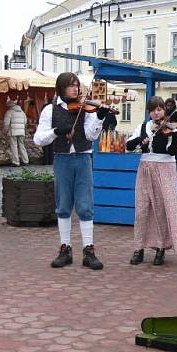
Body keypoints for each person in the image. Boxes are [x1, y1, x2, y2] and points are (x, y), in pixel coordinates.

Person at [33, 72, 108, 270]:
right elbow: (38, 139)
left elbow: (91, 135)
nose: (76, 89)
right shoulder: (50, 110)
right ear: (61, 88)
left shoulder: (86, 109)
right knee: (63, 205)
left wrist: (99, 118)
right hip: (62, 159)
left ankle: (88, 250)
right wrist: (55, 132)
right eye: (71, 85)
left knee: (85, 205)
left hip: (83, 157)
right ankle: (65, 248)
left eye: (77, 85)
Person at [125, 96, 177, 266]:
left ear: (164, 111)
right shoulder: (144, 127)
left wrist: (176, 136)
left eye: (159, 109)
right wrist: (139, 141)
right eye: (153, 110)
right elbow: (128, 146)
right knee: (142, 209)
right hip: (145, 169)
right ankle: (139, 248)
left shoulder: (170, 128)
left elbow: (172, 152)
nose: (156, 113)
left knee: (162, 209)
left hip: (164, 169)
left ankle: (161, 248)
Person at [3, 97, 29, 166]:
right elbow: (25, 121)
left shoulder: (9, 112)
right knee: (22, 145)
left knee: (14, 146)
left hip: (13, 132)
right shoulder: (22, 112)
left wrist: (5, 131)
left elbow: (6, 123)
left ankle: (16, 162)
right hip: (21, 132)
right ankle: (26, 160)